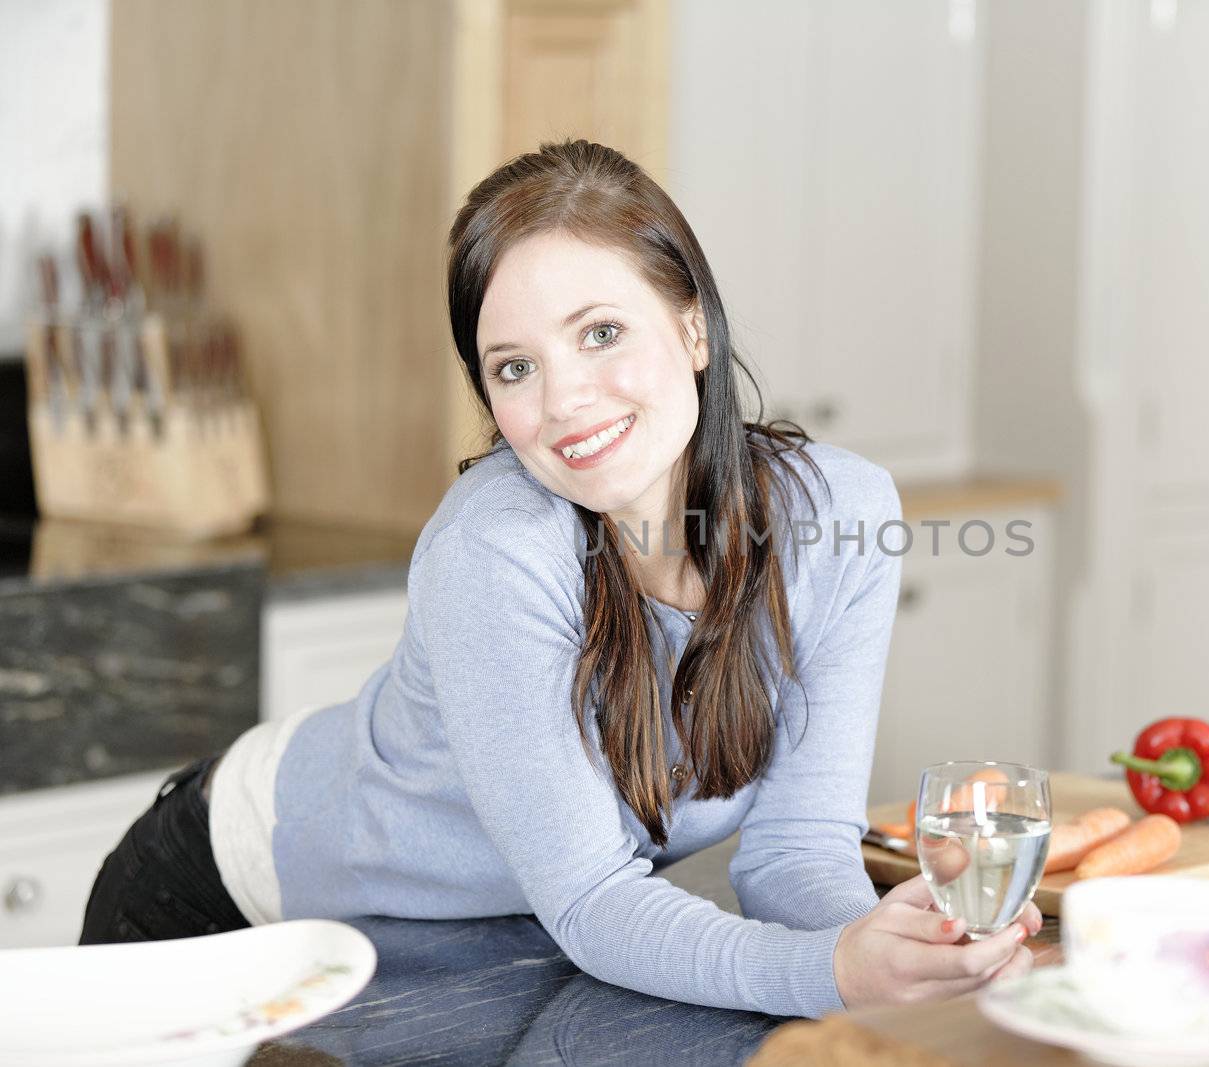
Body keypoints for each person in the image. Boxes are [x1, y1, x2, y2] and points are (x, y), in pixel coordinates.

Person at [79, 140, 1040, 1017]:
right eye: (513, 368)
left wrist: (884, 949)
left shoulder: (840, 516)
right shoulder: (496, 550)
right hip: (227, 901)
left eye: (600, 333)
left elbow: (795, 846)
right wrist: (828, 972)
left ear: (692, 327)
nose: (563, 402)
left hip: (471, 941)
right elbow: (592, 899)